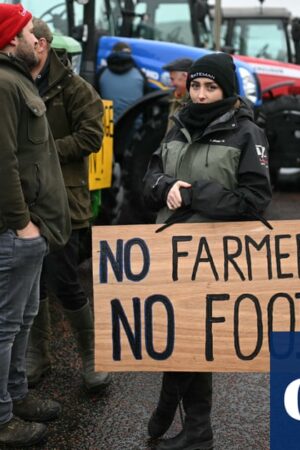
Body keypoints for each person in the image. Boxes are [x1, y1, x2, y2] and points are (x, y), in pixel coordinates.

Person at [143, 52, 272, 450]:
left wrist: (198, 194)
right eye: (196, 86)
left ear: (226, 89)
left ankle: (191, 424)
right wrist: (166, 186)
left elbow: (255, 198)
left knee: (197, 340)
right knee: (174, 336)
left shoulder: (246, 133)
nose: (200, 94)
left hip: (214, 257)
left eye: (210, 87)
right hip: (169, 252)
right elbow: (148, 177)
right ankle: (181, 415)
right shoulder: (177, 126)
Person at [25, 17, 111, 393]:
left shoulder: (77, 89)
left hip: (64, 199)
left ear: (40, 44)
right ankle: (37, 356)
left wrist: (41, 152)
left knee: (64, 279)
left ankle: (92, 356)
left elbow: (91, 137)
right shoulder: (17, 81)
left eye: (21, 38)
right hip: (24, 199)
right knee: (31, 283)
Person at [0, 4, 71, 447]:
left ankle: (16, 395)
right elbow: (2, 162)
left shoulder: (18, 79)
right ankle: (3, 418)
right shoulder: (5, 84)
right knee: (5, 326)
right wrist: (21, 223)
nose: (37, 38)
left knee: (23, 318)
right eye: (29, 31)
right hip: (14, 232)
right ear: (11, 39)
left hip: (29, 229)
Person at [97, 41, 148, 123]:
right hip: (132, 129)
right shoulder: (140, 75)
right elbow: (146, 104)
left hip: (107, 129)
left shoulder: (101, 73)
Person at [162, 57, 193, 132]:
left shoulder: (192, 105)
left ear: (185, 76)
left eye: (172, 79)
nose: (172, 84)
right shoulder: (176, 99)